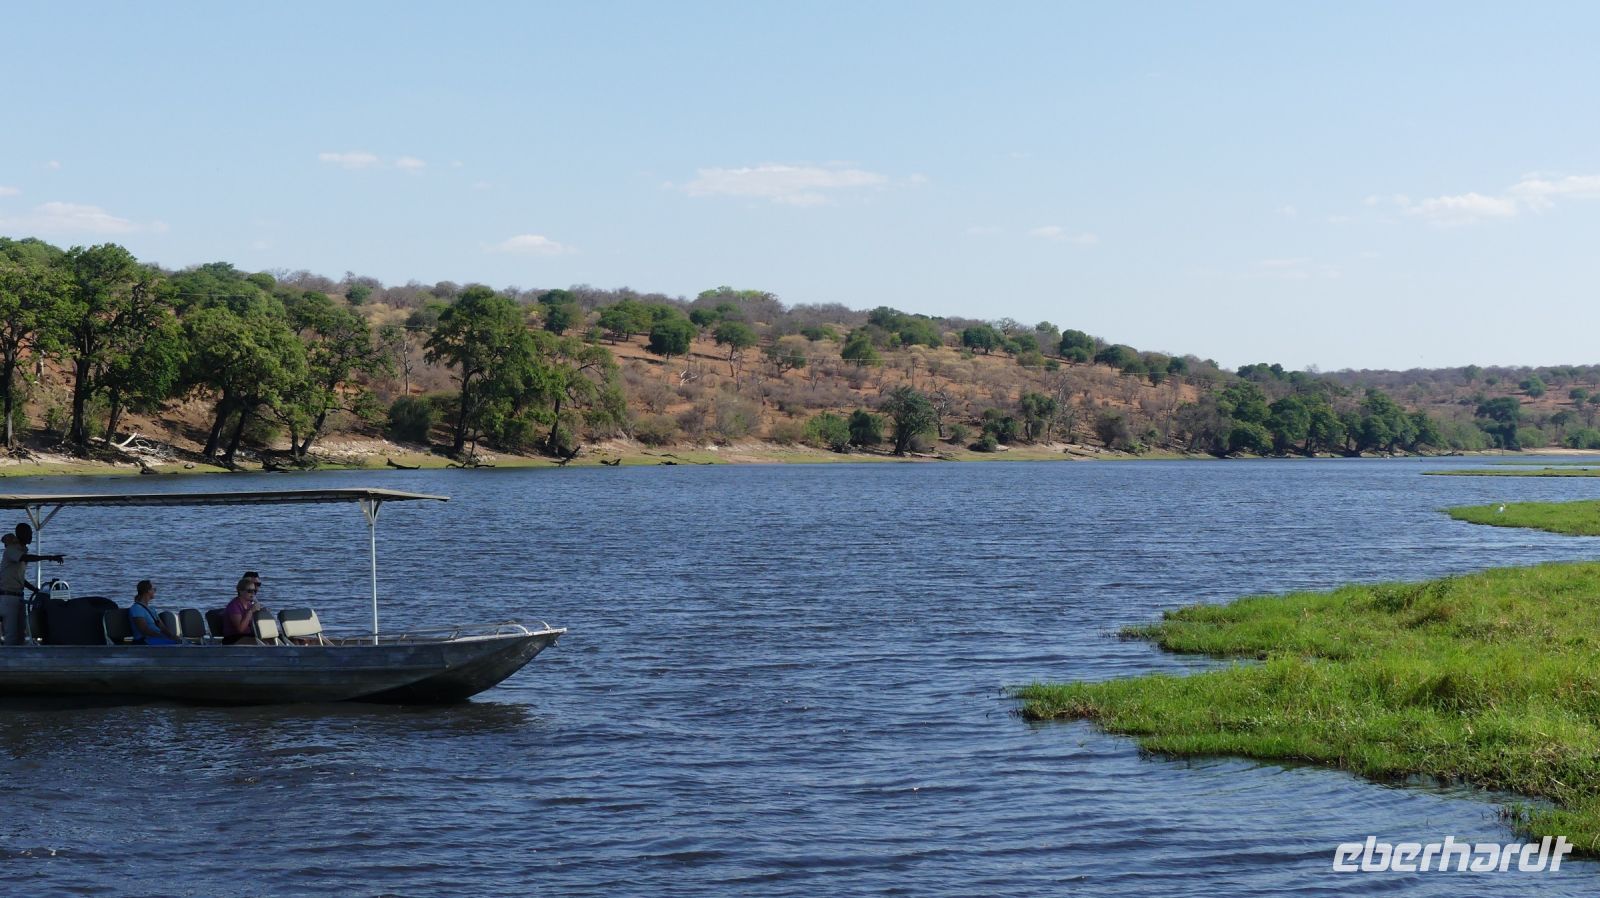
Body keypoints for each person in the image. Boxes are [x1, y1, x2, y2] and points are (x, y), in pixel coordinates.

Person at [0, 523, 65, 646]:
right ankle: (7, 663)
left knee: (21, 636)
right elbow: (26, 558)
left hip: (18, 597)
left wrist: (35, 590)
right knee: (11, 636)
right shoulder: (12, 550)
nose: (31, 536)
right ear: (21, 534)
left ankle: (19, 663)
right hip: (8, 598)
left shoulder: (19, 551)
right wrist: (49, 557)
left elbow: (18, 579)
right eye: (28, 533)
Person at [127, 579, 179, 646]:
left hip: (156, 638)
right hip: (145, 640)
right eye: (153, 589)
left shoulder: (152, 609)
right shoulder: (136, 608)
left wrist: (171, 636)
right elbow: (144, 630)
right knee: (175, 643)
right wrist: (163, 637)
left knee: (180, 641)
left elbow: (162, 627)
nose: (155, 591)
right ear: (148, 591)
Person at [221, 577, 266, 645]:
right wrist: (250, 612)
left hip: (248, 636)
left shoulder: (250, 605)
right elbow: (240, 629)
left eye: (254, 591)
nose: (253, 593)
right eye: (249, 591)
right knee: (262, 643)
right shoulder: (234, 606)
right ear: (241, 591)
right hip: (234, 638)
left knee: (273, 639)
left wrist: (262, 614)